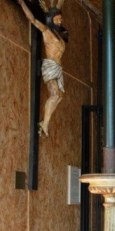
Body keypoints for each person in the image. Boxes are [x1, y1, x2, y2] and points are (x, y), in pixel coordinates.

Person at [17, 0, 68, 137]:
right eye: (57, 19)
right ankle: (44, 124)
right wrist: (22, 4)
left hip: (58, 67)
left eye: (60, 19)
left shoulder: (60, 35)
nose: (60, 21)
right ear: (51, 20)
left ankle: (44, 123)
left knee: (60, 97)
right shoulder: (47, 31)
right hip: (50, 65)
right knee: (55, 94)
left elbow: (59, 5)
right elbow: (32, 20)